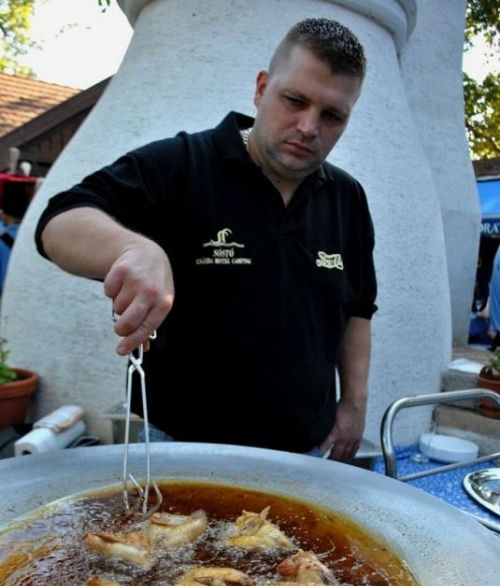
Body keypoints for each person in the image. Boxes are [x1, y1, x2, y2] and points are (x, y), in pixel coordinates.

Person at [35, 18, 377, 461]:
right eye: (295, 100)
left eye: (332, 116)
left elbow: (358, 307)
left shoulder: (347, 197)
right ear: (261, 88)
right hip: (179, 449)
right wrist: (132, 248)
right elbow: (58, 221)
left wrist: (354, 404)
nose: (309, 127)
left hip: (304, 452)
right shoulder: (183, 165)